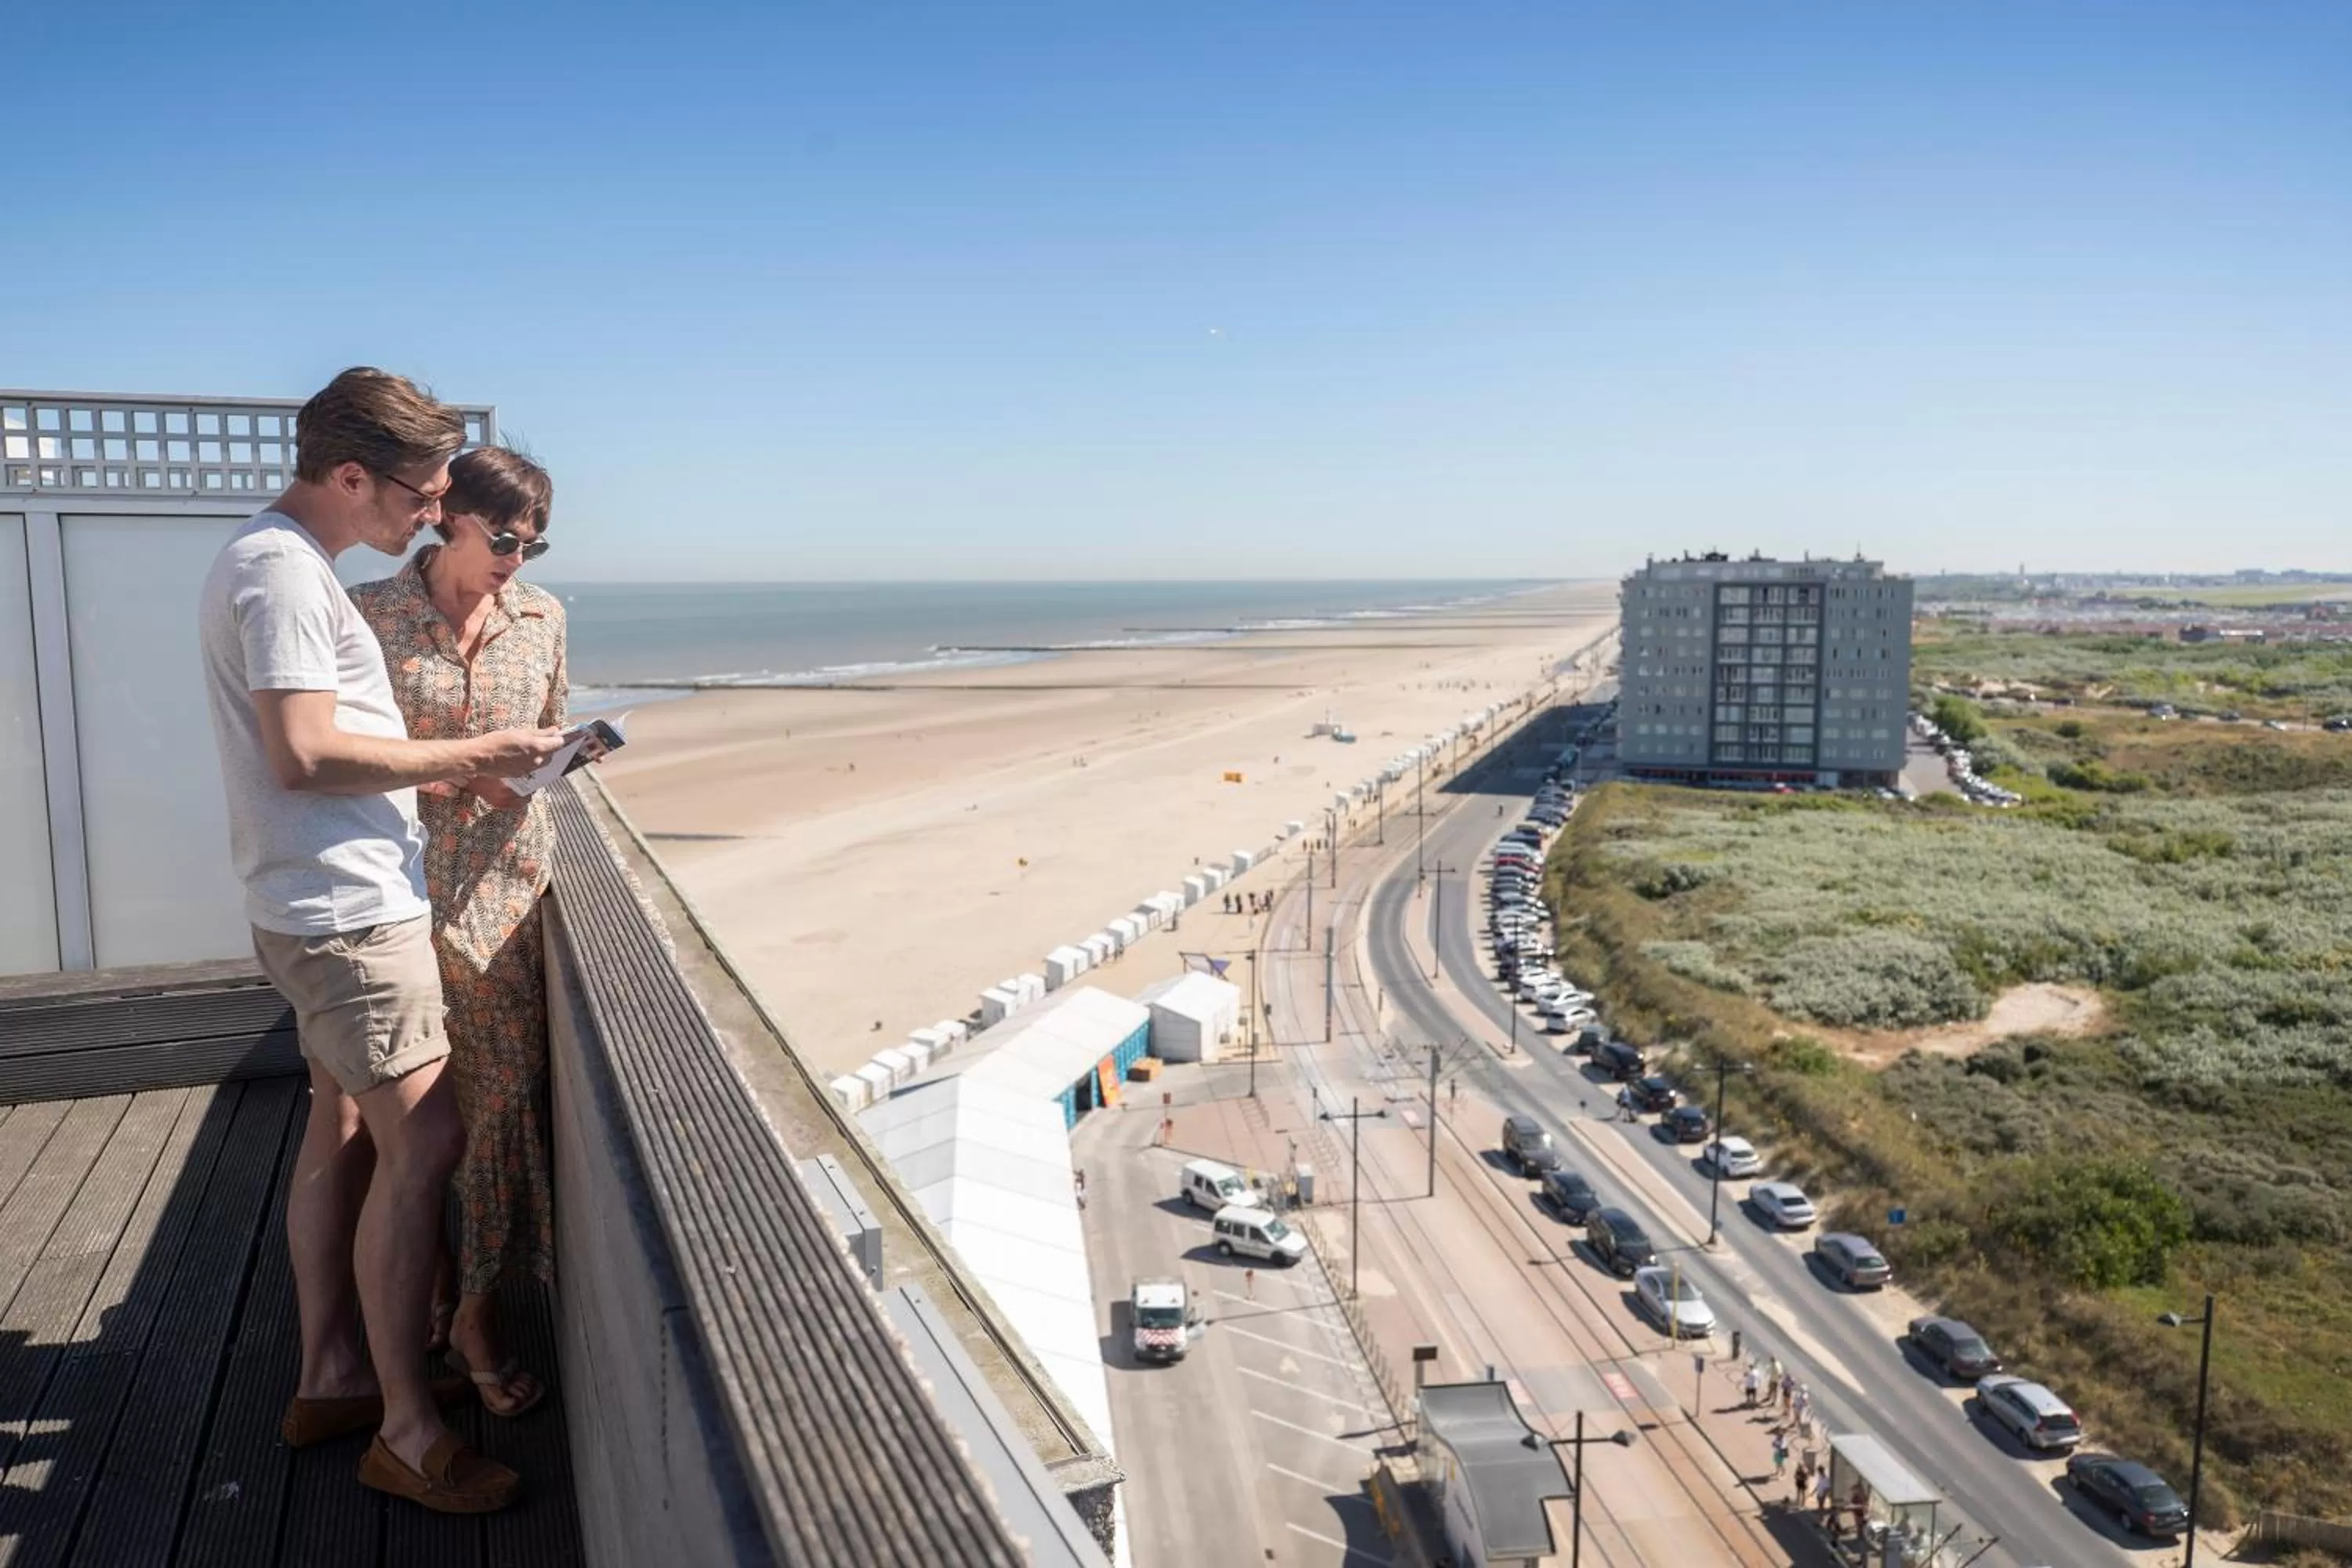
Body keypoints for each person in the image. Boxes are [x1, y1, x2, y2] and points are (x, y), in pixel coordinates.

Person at [200, 368, 565, 1514]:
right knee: (427, 1148)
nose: (427, 514)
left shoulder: (283, 565)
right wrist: (477, 755)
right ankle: (407, 1430)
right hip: (350, 914)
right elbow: (303, 755)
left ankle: (336, 1374)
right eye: (418, 495)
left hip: (325, 905)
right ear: (351, 476)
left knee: (349, 1123)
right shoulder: (285, 578)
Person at [352, 447, 575, 1424]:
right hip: (395, 897)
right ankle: (433, 1296)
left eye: (536, 543)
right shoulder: (369, 614)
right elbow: (335, 754)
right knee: (407, 1127)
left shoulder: (544, 618)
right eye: (505, 538)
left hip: (507, 902)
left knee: (491, 1114)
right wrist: (448, 773)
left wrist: (545, 765)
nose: (518, 561)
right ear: (450, 519)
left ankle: (478, 1311)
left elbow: (553, 731)